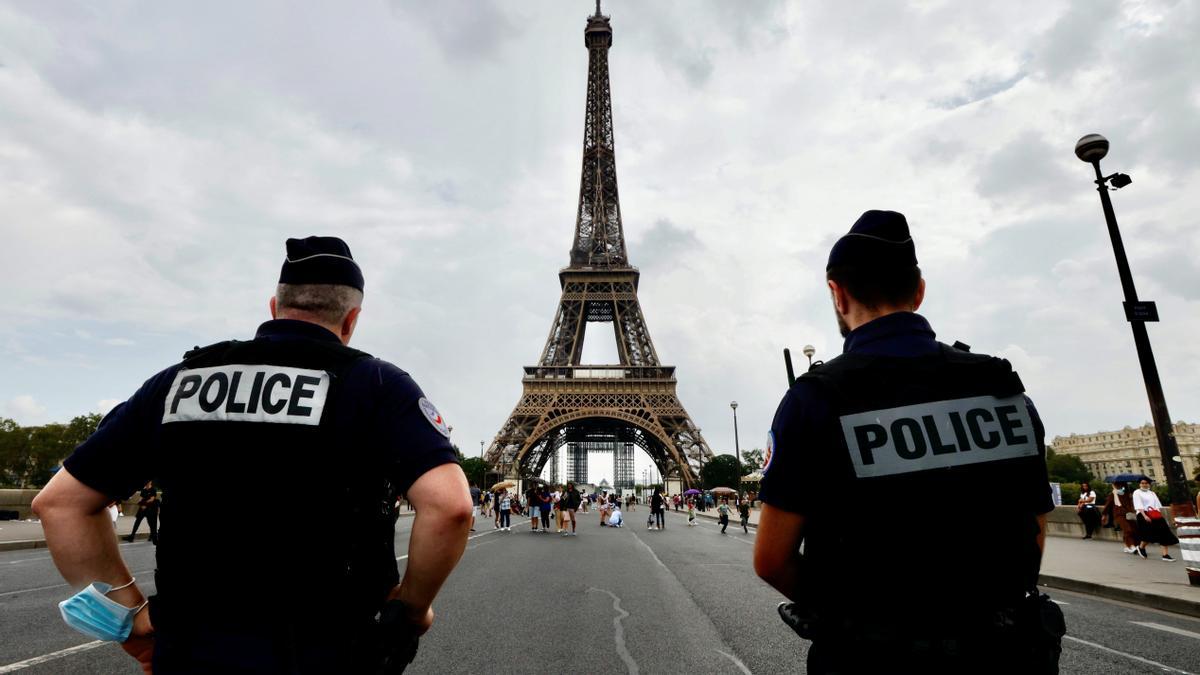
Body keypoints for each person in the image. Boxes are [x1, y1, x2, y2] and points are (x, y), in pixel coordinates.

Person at [32, 236, 473, 673]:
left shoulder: (177, 382)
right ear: (351, 319)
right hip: (330, 649)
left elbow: (60, 504)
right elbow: (450, 507)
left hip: (191, 648)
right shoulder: (376, 385)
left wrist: (128, 619)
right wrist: (412, 609)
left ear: (273, 306)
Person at [753, 211, 1058, 673]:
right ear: (919, 290)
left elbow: (773, 561)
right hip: (1003, 653)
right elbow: (1032, 533)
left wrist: (854, 615)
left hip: (872, 656)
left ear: (837, 294)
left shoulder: (814, 400)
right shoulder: (1001, 388)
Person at [1132, 479, 1178, 561]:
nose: (1144, 484)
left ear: (1149, 484)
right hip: (1143, 514)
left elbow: (1157, 506)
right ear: (1139, 484)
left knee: (1164, 532)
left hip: (1154, 514)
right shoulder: (1137, 492)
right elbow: (1138, 505)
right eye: (1142, 483)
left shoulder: (1152, 493)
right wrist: (1145, 516)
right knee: (1149, 534)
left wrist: (1160, 516)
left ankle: (1165, 555)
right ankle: (1141, 547)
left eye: (1146, 483)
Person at [1101, 481, 1138, 553]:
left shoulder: (1127, 494)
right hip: (1119, 514)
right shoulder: (1113, 494)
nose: (1116, 486)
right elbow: (1108, 505)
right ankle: (1131, 546)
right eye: (1115, 485)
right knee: (1127, 529)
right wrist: (1104, 515)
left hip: (1128, 513)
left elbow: (1131, 505)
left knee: (1134, 529)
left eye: (1117, 484)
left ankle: (1130, 546)